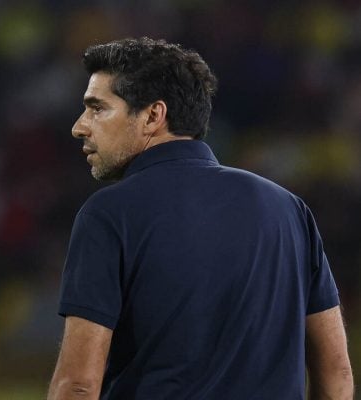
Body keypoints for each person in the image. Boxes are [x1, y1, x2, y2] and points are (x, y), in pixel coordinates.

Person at [47, 37, 353, 400]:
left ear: (153, 116)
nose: (80, 126)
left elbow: (79, 385)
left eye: (97, 108)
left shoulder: (109, 214)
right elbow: (337, 375)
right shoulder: (289, 209)